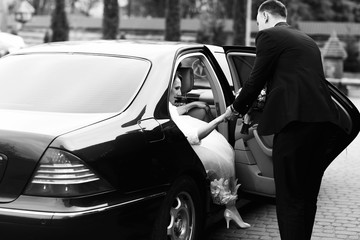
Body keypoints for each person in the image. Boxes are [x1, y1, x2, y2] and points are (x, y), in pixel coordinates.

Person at [226, 0, 346, 239]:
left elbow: (254, 81)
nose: (259, 27)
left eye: (259, 21)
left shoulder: (269, 36)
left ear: (266, 17)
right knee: (306, 195)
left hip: (295, 126)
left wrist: (235, 109)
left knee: (289, 196)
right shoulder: (307, 41)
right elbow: (293, 82)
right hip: (323, 126)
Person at [169, 72, 251, 229]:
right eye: (177, 88)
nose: (180, 93)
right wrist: (222, 118)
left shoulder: (167, 105)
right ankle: (230, 209)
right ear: (168, 89)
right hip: (190, 146)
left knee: (224, 154)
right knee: (221, 160)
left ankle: (231, 210)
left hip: (188, 144)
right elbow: (194, 137)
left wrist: (193, 105)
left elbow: (174, 111)